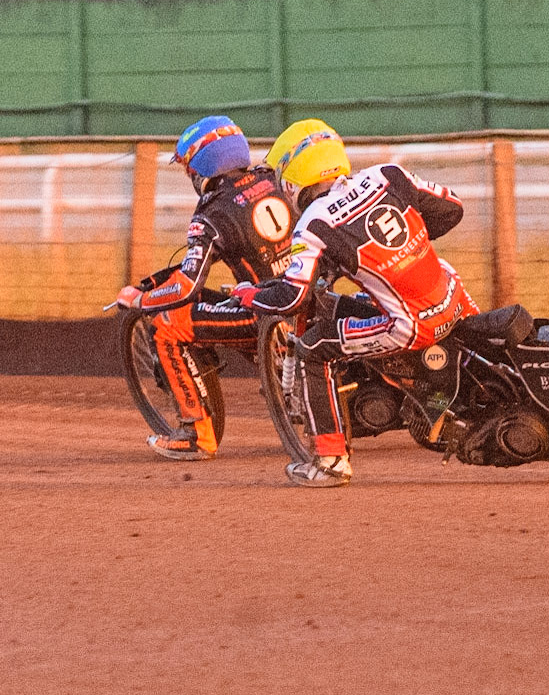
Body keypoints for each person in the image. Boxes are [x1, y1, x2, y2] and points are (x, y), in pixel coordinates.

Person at [242, 119, 479, 487]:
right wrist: (402, 252)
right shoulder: (389, 174)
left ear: (293, 178)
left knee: (314, 346)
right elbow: (452, 209)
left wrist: (251, 295)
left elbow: (293, 296)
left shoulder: (314, 223)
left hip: (413, 325)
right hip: (452, 295)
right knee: (383, 291)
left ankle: (331, 462)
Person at [116, 116, 295, 460]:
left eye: (189, 169)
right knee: (236, 294)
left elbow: (186, 287)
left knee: (168, 325)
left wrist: (144, 298)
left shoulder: (211, 215)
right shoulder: (274, 179)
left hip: (270, 314)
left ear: (203, 166)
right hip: (313, 301)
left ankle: (196, 436)